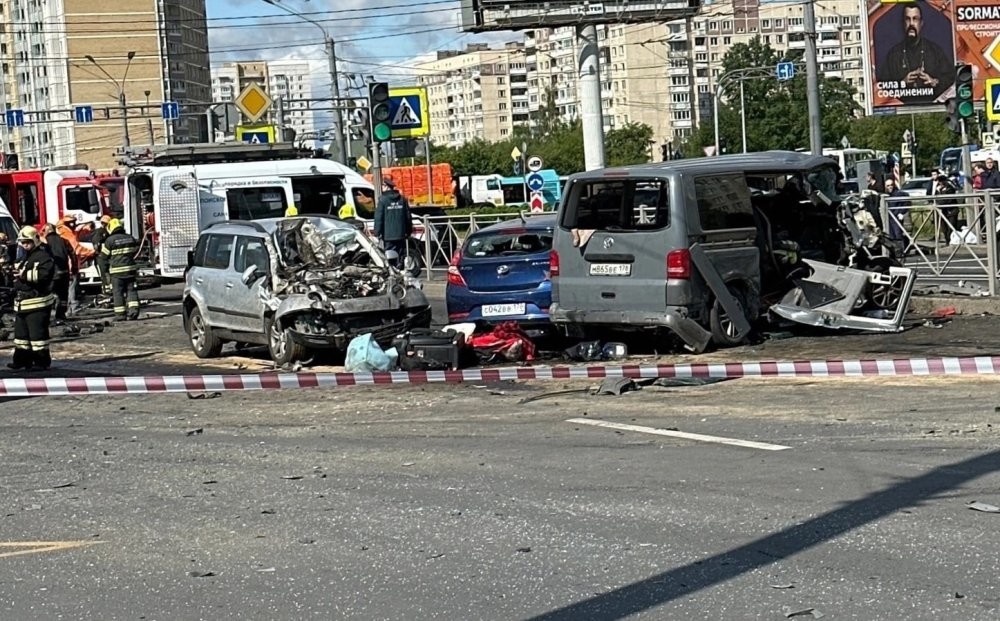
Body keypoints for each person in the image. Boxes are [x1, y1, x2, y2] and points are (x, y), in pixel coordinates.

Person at [875, 4, 954, 104]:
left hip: (933, 106)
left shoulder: (935, 51)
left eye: (915, 19)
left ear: (921, 23)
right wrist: (902, 83)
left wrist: (934, 82)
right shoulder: (893, 54)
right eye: (908, 19)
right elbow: (882, 84)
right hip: (902, 108)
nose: (911, 24)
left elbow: (950, 77)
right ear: (903, 23)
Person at [9, 226, 56, 371]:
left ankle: (41, 362)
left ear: (35, 240)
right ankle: (22, 360)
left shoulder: (43, 257)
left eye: (27, 242)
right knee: (21, 337)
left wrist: (23, 275)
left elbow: (44, 275)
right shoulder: (26, 257)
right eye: (22, 242)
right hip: (23, 303)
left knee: (37, 336)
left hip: (37, 304)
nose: (24, 245)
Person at [101, 218, 141, 321]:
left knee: (117, 292)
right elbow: (135, 252)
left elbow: (103, 258)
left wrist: (105, 272)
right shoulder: (130, 238)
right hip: (130, 270)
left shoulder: (109, 241)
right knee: (131, 290)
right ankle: (133, 312)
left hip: (116, 272)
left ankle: (120, 315)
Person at [374, 177, 412, 267]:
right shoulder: (402, 200)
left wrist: (377, 232)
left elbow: (379, 218)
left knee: (389, 256)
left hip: (388, 236)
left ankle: (393, 273)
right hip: (401, 234)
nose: (382, 187)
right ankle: (401, 272)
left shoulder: (383, 200)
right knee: (401, 256)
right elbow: (408, 217)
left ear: (387, 187)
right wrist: (408, 231)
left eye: (383, 185)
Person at [41, 223, 73, 321]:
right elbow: (72, 254)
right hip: (64, 272)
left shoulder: (45, 242)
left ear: (47, 231)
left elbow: (42, 258)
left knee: (47, 294)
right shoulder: (64, 240)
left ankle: (45, 316)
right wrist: (74, 268)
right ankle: (61, 315)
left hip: (52, 273)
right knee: (63, 295)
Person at [90, 215, 113, 295]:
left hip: (105, 257)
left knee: (107, 274)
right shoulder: (100, 232)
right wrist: (98, 253)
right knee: (104, 274)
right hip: (101, 257)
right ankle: (106, 290)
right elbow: (96, 245)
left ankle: (108, 289)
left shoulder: (106, 232)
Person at [883, 178, 910, 243]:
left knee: (898, 235)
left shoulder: (899, 193)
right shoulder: (886, 195)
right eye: (888, 185)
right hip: (888, 218)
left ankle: (901, 250)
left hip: (896, 218)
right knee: (891, 236)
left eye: (891, 185)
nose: (890, 187)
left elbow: (907, 201)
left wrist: (901, 212)